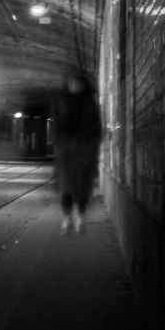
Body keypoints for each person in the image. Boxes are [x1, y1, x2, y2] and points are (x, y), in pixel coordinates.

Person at [52, 69, 102, 234]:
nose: (75, 86)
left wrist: (93, 146)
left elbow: (96, 126)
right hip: (66, 151)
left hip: (84, 150)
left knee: (82, 186)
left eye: (78, 83)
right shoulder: (61, 100)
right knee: (66, 186)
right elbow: (57, 125)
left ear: (83, 85)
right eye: (72, 83)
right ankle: (67, 219)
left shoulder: (90, 102)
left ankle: (80, 217)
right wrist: (59, 145)